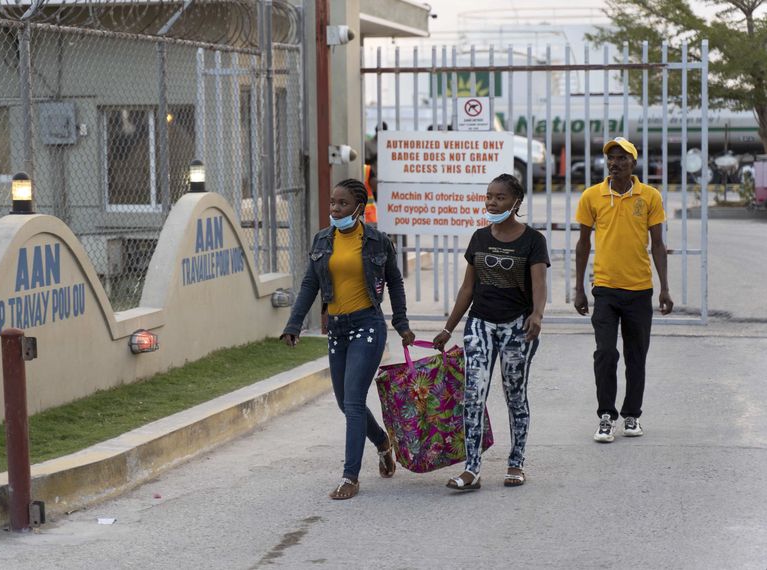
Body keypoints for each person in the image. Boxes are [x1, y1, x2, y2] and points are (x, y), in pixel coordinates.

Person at [281, 178, 415, 500]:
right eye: (332, 203)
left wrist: (401, 322)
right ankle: (382, 442)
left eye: (342, 204)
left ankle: (349, 477)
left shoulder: (377, 242)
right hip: (337, 329)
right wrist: (294, 324)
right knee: (344, 403)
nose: (335, 209)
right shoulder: (322, 240)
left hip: (367, 325)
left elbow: (394, 283)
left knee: (353, 400)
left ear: (359, 207)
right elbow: (310, 285)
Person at [432, 173, 549, 491]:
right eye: (489, 196)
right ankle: (472, 469)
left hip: (517, 326)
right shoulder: (479, 238)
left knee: (515, 395)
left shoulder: (533, 241)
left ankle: (516, 462)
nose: (492, 202)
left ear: (516, 202)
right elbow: (467, 288)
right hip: (480, 323)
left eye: (499, 197)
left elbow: (539, 284)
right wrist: (448, 328)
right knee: (472, 395)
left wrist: (536, 315)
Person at [574, 137, 673, 443]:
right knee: (605, 353)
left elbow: (657, 244)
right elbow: (583, 244)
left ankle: (632, 415)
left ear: (633, 162)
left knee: (636, 356)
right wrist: (579, 288)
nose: (614, 163)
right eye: (611, 158)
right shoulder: (592, 196)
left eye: (621, 158)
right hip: (604, 288)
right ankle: (606, 416)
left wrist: (664, 288)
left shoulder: (650, 196)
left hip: (640, 290)